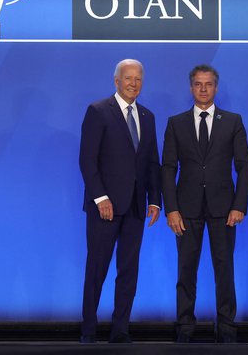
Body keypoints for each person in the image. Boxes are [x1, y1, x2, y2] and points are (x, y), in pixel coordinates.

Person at [162, 65, 248, 343]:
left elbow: (244, 166)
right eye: (198, 84)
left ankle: (226, 327)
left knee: (224, 270)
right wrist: (172, 208)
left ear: (216, 87)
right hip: (185, 210)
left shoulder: (233, 121)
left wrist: (239, 205)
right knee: (185, 270)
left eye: (208, 84)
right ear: (191, 88)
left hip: (224, 209)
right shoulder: (176, 122)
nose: (203, 89)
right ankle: (185, 327)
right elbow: (167, 168)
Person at [78, 59, 162, 343]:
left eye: (138, 79)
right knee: (97, 269)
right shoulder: (98, 111)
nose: (133, 83)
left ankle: (120, 328)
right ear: (116, 81)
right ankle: (89, 329)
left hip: (137, 207)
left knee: (128, 270)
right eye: (128, 78)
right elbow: (87, 160)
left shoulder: (148, 116)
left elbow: (152, 163)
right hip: (105, 208)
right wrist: (100, 197)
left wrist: (155, 200)